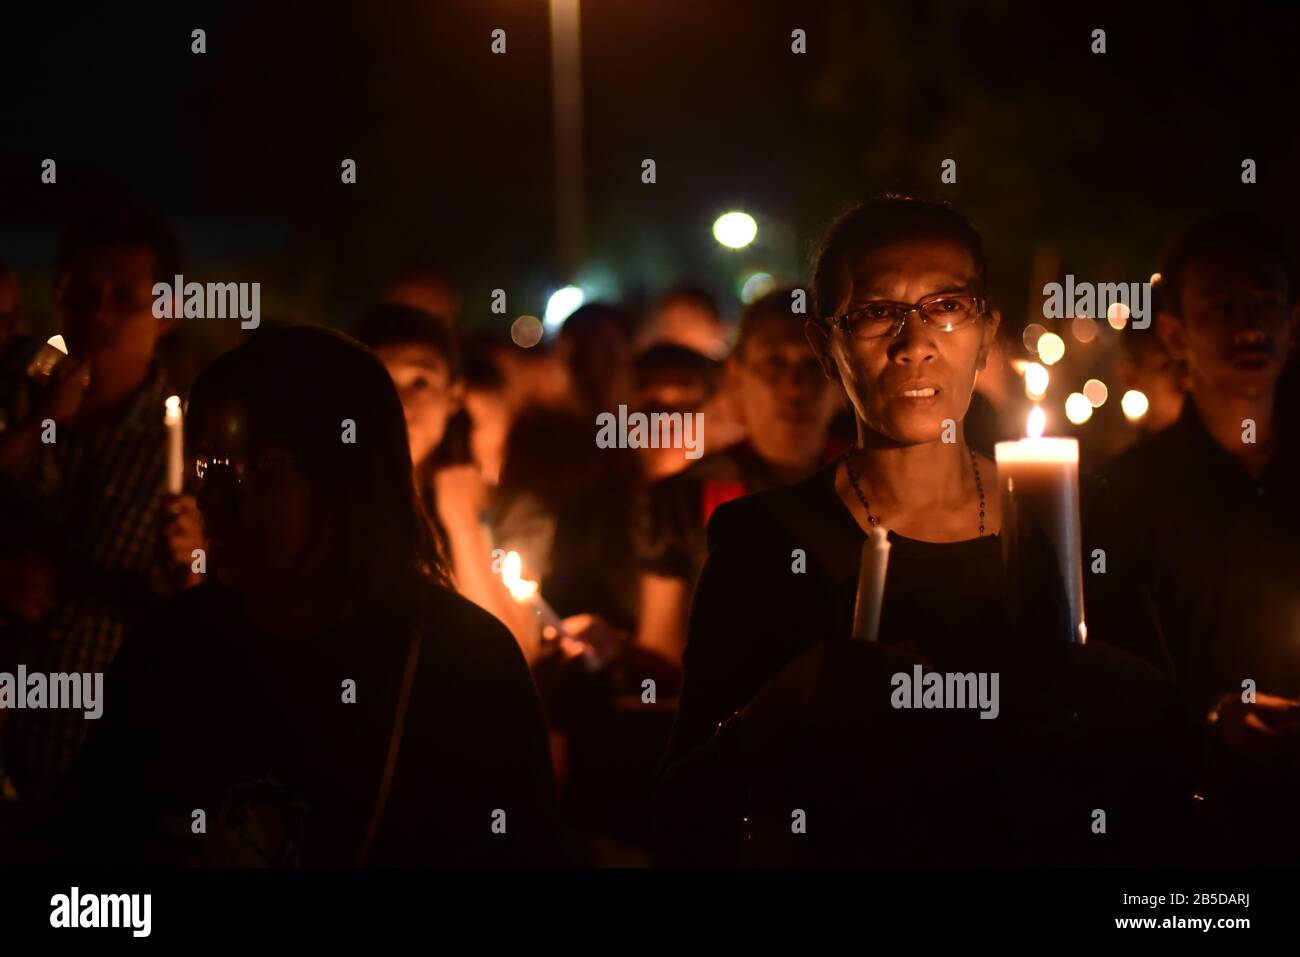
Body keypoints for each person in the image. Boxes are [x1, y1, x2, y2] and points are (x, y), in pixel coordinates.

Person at [655, 196, 1186, 866]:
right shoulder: (764, 542)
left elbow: (1169, 761)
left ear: (986, 331)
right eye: (877, 313)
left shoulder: (1086, 521)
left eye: (947, 306)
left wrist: (1105, 688)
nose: (915, 345)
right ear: (826, 346)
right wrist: (783, 707)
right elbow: (679, 812)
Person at [35, 324, 561, 866]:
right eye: (206, 465)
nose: (210, 498)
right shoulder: (171, 651)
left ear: (344, 479)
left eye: (250, 469)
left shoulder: (465, 666)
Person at [1086, 212, 1300, 862]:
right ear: (1175, 332)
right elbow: (1112, 680)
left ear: (1294, 324)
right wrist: (1211, 723)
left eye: (1266, 302)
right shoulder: (1124, 496)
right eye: (1221, 305)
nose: (1247, 324)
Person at [0, 203, 204, 806]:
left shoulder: (194, 443)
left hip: (107, 770)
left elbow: (215, 614)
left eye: (124, 296)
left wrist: (194, 571)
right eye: (82, 292)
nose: (99, 312)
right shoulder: (14, 394)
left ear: (167, 312)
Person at [632, 287, 844, 667]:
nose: (795, 387)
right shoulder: (682, 499)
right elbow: (660, 655)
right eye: (774, 364)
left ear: (841, 378)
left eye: (813, 363)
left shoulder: (877, 484)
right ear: (735, 377)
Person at [350, 304, 533, 651]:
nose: (401, 405)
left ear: (454, 396)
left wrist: (464, 524)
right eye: (382, 381)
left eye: (420, 382)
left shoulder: (503, 510)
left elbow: (512, 656)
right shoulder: (323, 505)